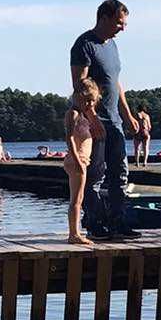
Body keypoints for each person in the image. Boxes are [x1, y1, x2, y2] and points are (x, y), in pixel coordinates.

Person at [69, 0, 138, 239]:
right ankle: (95, 223)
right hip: (93, 122)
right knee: (95, 175)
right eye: (119, 23)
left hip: (115, 119)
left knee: (120, 173)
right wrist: (92, 117)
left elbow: (115, 81)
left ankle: (118, 222)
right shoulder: (84, 44)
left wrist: (127, 114)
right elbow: (80, 86)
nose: (123, 28)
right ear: (104, 18)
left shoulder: (113, 46)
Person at [63, 77, 103, 246]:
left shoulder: (83, 114)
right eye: (87, 101)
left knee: (79, 197)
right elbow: (69, 137)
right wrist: (78, 160)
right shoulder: (73, 114)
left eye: (92, 102)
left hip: (82, 160)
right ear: (78, 97)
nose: (90, 105)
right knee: (77, 199)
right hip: (77, 160)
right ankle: (74, 234)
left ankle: (75, 232)